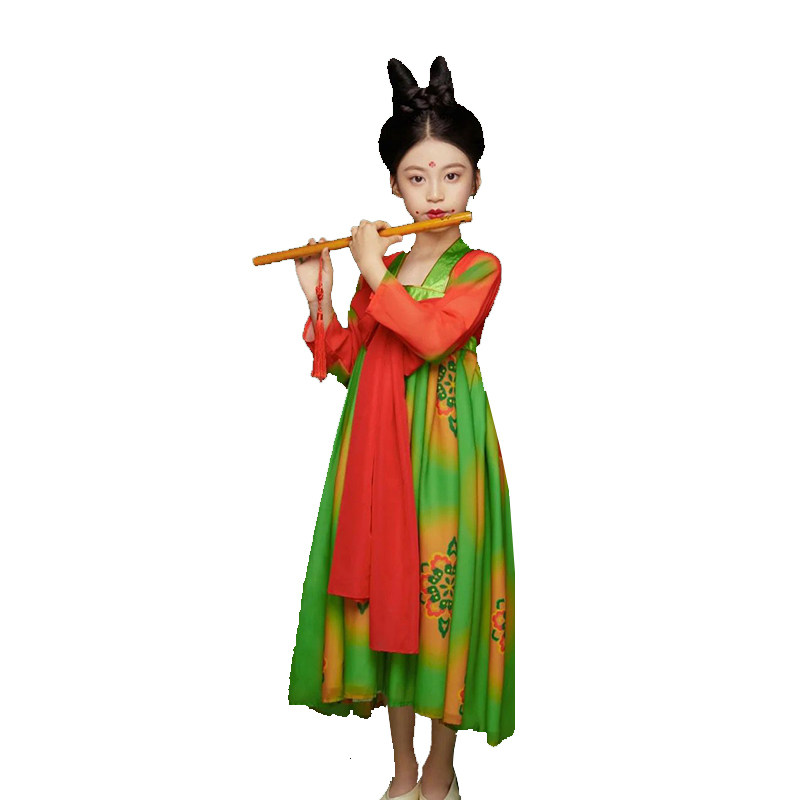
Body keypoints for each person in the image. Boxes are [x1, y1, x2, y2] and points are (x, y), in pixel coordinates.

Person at [288, 56, 515, 800]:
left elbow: (432, 338)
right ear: (394, 184)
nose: (435, 193)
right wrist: (323, 296)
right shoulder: (375, 267)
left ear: (475, 181)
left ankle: (442, 771)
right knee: (388, 599)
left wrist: (377, 274)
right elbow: (355, 364)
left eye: (452, 175)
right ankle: (404, 769)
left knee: (440, 601)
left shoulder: (479, 268)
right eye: (417, 177)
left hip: (447, 449)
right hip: (378, 448)